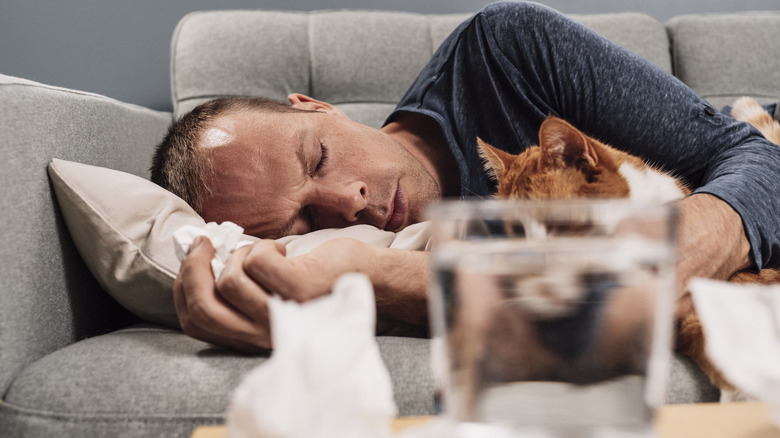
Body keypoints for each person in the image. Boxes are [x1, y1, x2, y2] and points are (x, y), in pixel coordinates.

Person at [151, 2, 780, 353]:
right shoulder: (401, 250)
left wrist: (682, 247)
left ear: (316, 106)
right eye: (306, 222)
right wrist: (360, 271)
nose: (349, 203)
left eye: (316, 159)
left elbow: (758, 158)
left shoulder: (505, 51)